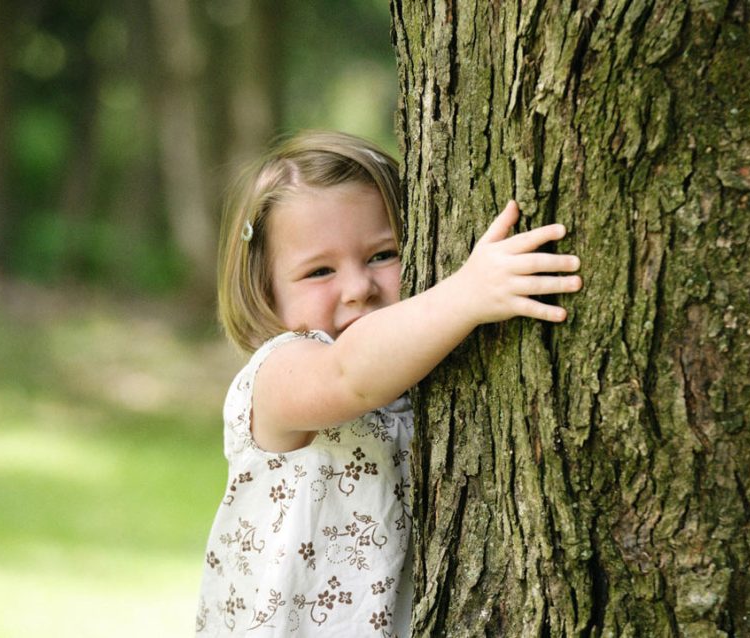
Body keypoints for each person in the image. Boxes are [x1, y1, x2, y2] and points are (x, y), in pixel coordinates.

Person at [195, 130, 582, 636]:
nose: (358, 288)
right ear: (264, 291)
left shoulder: (418, 374)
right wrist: (466, 294)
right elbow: (350, 377)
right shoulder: (277, 376)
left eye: (382, 255)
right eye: (319, 271)